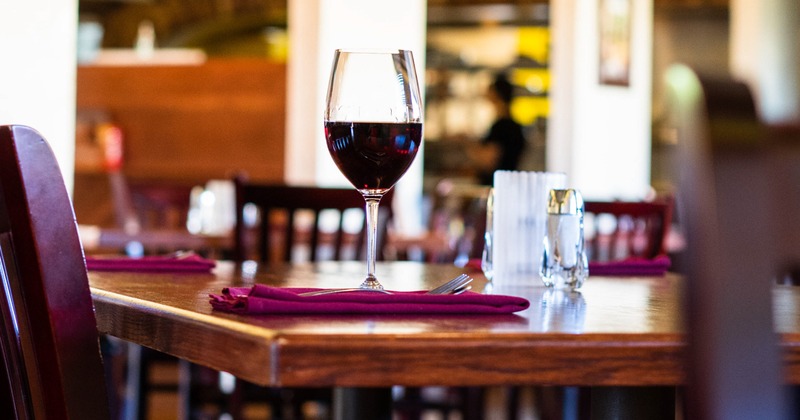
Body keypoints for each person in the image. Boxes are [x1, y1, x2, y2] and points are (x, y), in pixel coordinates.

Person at [474, 72, 527, 186]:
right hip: (508, 184)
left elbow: (488, 161)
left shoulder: (503, 126)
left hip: (496, 187)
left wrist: (467, 145)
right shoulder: (514, 126)